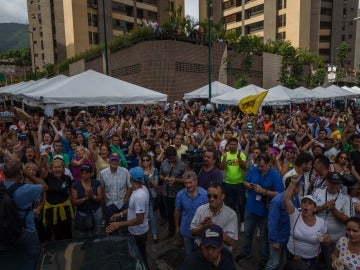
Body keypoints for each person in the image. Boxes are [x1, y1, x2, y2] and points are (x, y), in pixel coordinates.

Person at [237, 153, 284, 268]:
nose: (260, 168)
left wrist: (264, 192)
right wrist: (247, 185)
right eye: (259, 165)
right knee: (248, 233)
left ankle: (263, 258)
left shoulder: (275, 175)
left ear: (269, 164)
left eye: (262, 166)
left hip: (265, 211)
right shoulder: (254, 170)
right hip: (251, 207)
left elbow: (280, 194)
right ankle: (246, 252)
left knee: (263, 236)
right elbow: (245, 181)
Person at [0, 158, 47, 269]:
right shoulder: (26, 189)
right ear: (21, 171)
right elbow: (45, 186)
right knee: (30, 262)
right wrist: (28, 174)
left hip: (4, 231)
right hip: (26, 232)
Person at [106, 167, 150, 270]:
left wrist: (119, 224)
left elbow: (139, 219)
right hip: (136, 232)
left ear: (130, 179)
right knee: (137, 256)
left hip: (138, 233)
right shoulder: (141, 188)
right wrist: (120, 214)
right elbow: (133, 209)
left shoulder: (139, 196)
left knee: (140, 258)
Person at [283, 175, 329, 269]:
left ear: (315, 208)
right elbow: (286, 199)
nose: (306, 205)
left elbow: (326, 241)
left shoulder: (321, 222)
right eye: (304, 202)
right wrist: (292, 183)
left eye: (309, 203)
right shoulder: (295, 214)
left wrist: (328, 239)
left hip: (312, 260)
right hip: (293, 256)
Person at [312, 172, 353, 269]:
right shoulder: (317, 191)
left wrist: (333, 210)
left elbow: (348, 221)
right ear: (326, 182)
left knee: (331, 266)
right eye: (332, 183)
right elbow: (309, 210)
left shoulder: (346, 198)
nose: (335, 185)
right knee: (314, 264)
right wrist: (323, 207)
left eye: (338, 183)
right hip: (315, 237)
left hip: (335, 240)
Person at [190, 183, 238, 250]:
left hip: (221, 252)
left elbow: (230, 241)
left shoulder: (231, 214)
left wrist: (212, 227)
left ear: (222, 196)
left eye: (215, 196)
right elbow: (192, 232)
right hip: (201, 249)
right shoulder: (201, 209)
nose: (212, 199)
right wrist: (202, 228)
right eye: (209, 196)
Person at [174, 170, 208, 256]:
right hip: (186, 230)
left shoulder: (205, 195)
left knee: (202, 255)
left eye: (190, 182)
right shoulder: (180, 194)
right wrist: (177, 227)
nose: (188, 185)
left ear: (196, 181)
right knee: (189, 255)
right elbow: (177, 211)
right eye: (185, 183)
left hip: (201, 232)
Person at [159, 146, 186, 238]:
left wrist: (176, 180)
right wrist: (164, 178)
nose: (170, 160)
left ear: (175, 155)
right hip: (166, 193)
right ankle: (171, 231)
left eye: (172, 158)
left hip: (177, 194)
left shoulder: (182, 165)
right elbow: (160, 175)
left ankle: (181, 232)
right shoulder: (164, 162)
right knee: (169, 214)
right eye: (168, 158)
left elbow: (187, 180)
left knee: (179, 214)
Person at [71, 164, 104, 239]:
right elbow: (74, 202)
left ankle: (95, 248)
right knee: (83, 234)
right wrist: (85, 198)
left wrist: (92, 196)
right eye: (82, 173)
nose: (83, 175)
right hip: (83, 213)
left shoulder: (96, 183)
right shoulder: (76, 185)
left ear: (91, 174)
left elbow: (100, 198)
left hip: (96, 211)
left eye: (86, 173)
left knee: (96, 232)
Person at [219, 137, 247, 227]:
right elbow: (222, 168)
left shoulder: (241, 155)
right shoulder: (225, 155)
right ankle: (231, 221)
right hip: (227, 183)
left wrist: (239, 158)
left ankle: (242, 221)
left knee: (240, 203)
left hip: (239, 183)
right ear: (228, 145)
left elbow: (244, 167)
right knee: (230, 204)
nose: (233, 146)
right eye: (231, 144)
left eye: (235, 144)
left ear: (237, 145)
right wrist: (224, 158)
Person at [99, 153, 132, 226]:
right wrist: (105, 199)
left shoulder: (125, 171)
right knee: (111, 226)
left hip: (122, 203)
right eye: (112, 160)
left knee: (125, 226)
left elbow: (130, 186)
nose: (114, 162)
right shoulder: (103, 173)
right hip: (110, 204)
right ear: (109, 161)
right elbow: (101, 187)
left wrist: (126, 198)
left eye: (116, 160)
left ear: (119, 161)